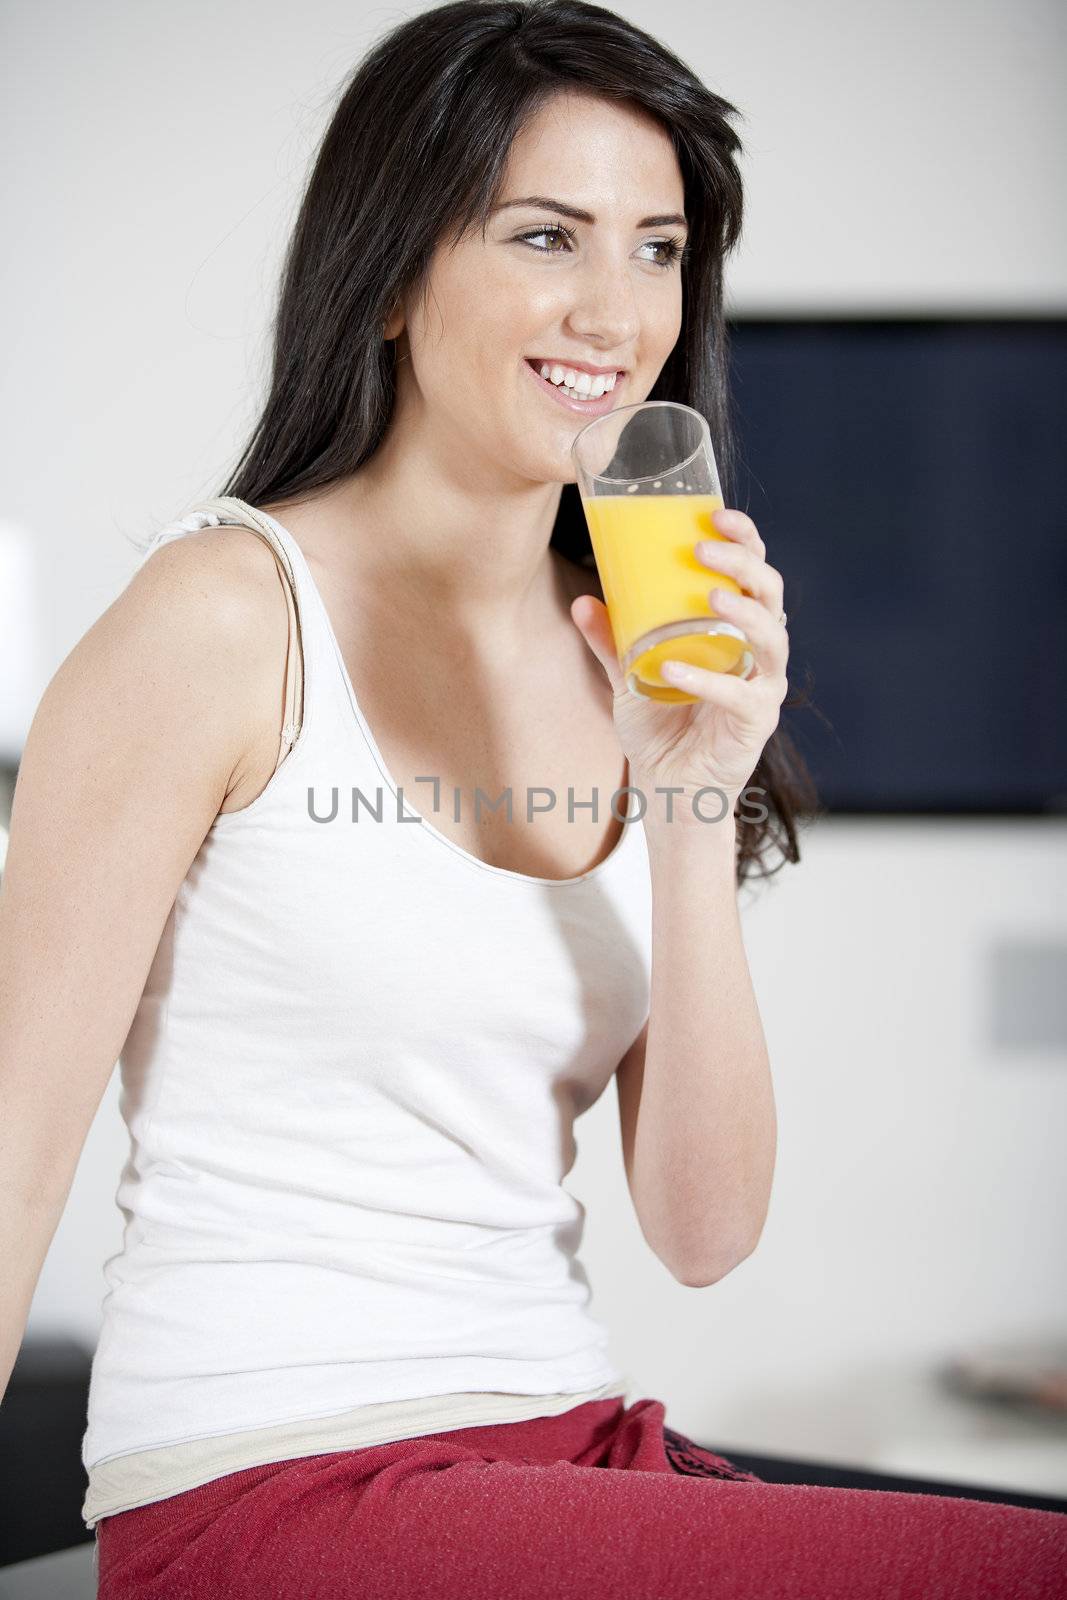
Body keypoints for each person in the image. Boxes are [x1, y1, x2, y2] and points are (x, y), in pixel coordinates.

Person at [2, 2, 1063, 1595]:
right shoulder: (221, 621)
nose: (614, 308)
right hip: (274, 1486)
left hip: (562, 1447)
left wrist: (691, 794)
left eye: (658, 247)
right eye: (548, 235)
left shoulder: (630, 652)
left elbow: (703, 1234)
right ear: (387, 275)